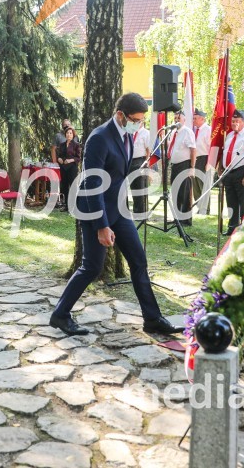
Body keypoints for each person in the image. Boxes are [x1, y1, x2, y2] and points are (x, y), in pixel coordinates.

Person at [50, 93, 182, 336]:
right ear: (120, 115)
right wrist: (102, 225)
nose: (138, 125)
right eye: (135, 119)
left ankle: (152, 319)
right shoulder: (99, 138)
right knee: (92, 266)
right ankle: (60, 314)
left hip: (120, 210)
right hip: (94, 209)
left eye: (142, 121)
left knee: (138, 261)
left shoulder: (128, 136)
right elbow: (91, 183)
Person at [220, 110, 244, 236]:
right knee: (231, 201)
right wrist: (221, 166)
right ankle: (232, 227)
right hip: (229, 172)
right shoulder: (230, 135)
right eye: (232, 121)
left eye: (237, 121)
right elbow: (226, 152)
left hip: (242, 172)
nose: (234, 123)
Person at [167, 110, 196, 226]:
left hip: (184, 165)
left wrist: (192, 167)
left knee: (184, 192)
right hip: (175, 165)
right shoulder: (174, 132)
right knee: (175, 191)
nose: (176, 120)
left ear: (184, 120)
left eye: (178, 118)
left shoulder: (187, 132)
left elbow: (193, 149)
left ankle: (185, 220)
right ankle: (177, 218)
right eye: (175, 118)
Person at [56, 126, 82, 211]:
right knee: (65, 187)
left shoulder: (76, 145)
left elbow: (78, 158)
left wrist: (70, 160)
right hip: (63, 168)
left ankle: (74, 206)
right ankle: (67, 206)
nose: (69, 134)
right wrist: (59, 159)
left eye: (70, 133)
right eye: (67, 133)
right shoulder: (62, 145)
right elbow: (59, 155)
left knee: (73, 186)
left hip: (72, 168)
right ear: (65, 134)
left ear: (73, 134)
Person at [128, 122, 151, 214]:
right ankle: (134, 210)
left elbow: (148, 149)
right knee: (133, 187)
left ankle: (141, 211)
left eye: (139, 121)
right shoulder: (131, 132)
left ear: (143, 121)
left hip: (140, 161)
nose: (136, 123)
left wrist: (147, 163)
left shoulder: (146, 133)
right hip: (130, 161)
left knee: (140, 187)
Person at [191, 108, 211, 203]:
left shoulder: (208, 130)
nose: (193, 120)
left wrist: (209, 162)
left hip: (204, 158)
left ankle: (205, 207)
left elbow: (211, 147)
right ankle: (198, 204)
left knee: (203, 183)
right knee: (195, 183)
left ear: (202, 119)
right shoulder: (194, 130)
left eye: (195, 118)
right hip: (195, 158)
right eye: (193, 118)